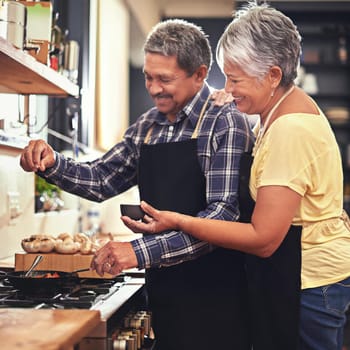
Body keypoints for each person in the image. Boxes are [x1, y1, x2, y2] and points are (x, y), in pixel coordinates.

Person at [121, 3, 350, 350]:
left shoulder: (290, 130)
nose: (227, 87)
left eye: (236, 78)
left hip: (309, 286)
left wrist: (179, 221)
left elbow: (263, 237)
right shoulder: (277, 110)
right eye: (227, 76)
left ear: (273, 75)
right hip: (296, 277)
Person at [20, 19, 254, 350]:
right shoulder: (147, 126)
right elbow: (101, 179)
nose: (154, 88)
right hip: (164, 291)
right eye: (148, 76)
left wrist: (136, 252)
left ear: (200, 74)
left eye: (165, 79)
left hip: (216, 295)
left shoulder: (225, 122)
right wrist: (52, 162)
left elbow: (221, 217)